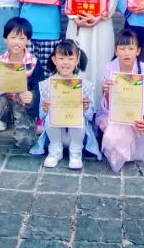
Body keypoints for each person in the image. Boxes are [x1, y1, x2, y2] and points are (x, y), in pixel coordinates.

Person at [0, 17, 43, 164]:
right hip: (4, 102)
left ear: (28, 40)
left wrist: (32, 95)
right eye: (13, 37)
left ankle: (21, 130)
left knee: (25, 143)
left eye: (22, 38)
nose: (17, 42)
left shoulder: (34, 63)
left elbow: (39, 87)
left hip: (22, 104)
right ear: (5, 39)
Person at [34, 39, 100, 169]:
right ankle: (55, 151)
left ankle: (75, 152)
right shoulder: (48, 84)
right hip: (55, 133)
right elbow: (41, 116)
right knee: (51, 116)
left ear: (77, 60)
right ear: (54, 60)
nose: (66, 62)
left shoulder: (84, 85)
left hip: (76, 134)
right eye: (61, 58)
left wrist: (86, 107)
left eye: (70, 58)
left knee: (79, 117)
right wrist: (45, 108)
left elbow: (90, 116)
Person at [97, 29, 144, 172]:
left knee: (132, 126)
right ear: (116, 51)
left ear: (138, 51)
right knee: (115, 127)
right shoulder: (109, 68)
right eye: (122, 49)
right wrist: (106, 92)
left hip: (136, 113)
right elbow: (106, 106)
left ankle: (121, 153)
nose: (126, 53)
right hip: (114, 113)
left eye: (131, 48)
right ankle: (117, 155)